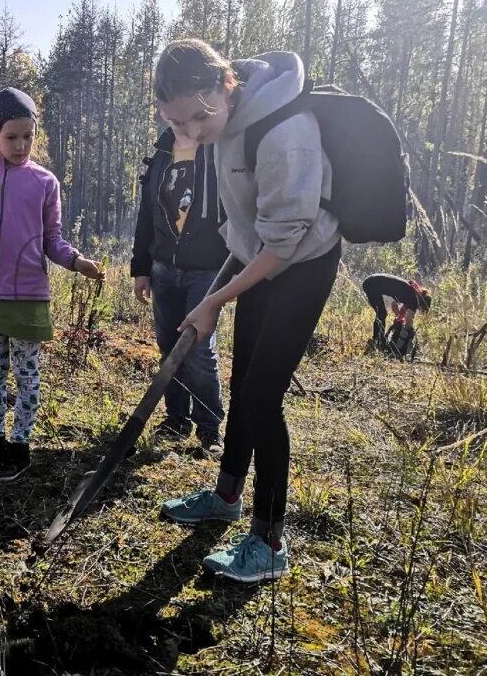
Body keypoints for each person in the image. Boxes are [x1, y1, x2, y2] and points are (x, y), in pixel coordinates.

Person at [156, 40, 341, 583]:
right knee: (243, 384)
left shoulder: (286, 134)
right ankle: (227, 494)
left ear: (227, 85)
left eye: (198, 116)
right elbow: (245, 228)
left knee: (263, 397)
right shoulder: (219, 126)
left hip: (302, 264)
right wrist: (215, 295)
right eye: (176, 121)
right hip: (259, 255)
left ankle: (269, 541)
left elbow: (284, 243)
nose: (189, 131)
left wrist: (214, 300)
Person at [0, 88, 105, 481]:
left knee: (27, 374)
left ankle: (21, 445)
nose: (20, 145)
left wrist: (78, 262)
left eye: (27, 136)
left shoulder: (45, 183)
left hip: (28, 296)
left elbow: (53, 239)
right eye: (11, 137)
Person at [130, 120, 228, 454]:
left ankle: (209, 429)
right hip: (163, 268)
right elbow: (147, 213)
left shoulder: (217, 149)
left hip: (207, 269)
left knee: (199, 348)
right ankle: (176, 421)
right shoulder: (161, 153)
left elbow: (233, 213)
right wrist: (141, 269)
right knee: (169, 345)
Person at [362, 273, 431, 358]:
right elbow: (409, 320)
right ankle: (376, 342)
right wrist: (405, 331)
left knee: (381, 313)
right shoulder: (414, 299)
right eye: (420, 308)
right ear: (422, 303)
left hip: (371, 280)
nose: (418, 309)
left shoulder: (411, 291)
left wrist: (399, 318)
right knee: (382, 314)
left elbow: (394, 305)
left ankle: (378, 341)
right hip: (372, 284)